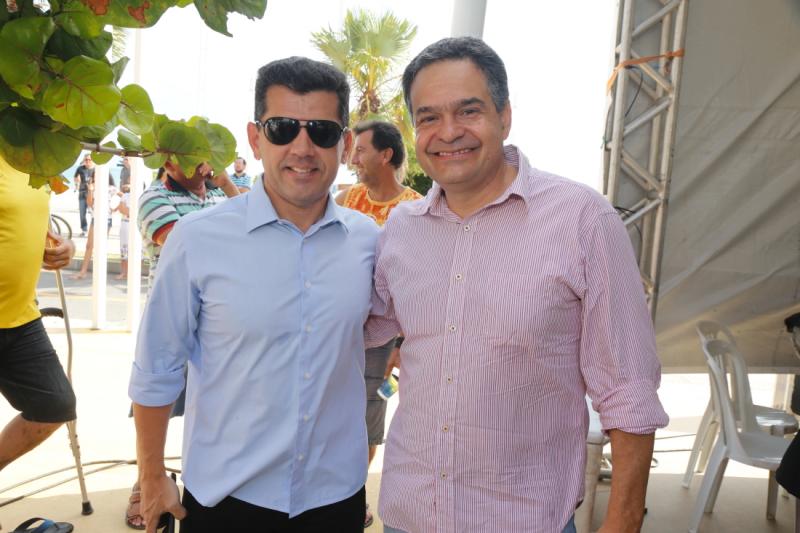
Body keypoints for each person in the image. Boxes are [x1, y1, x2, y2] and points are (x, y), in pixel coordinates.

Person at [366, 37, 669, 533]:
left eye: (469, 111)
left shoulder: (581, 219)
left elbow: (628, 386)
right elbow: (358, 329)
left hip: (525, 520)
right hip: (410, 516)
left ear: (504, 116)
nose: (449, 132)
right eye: (428, 117)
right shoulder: (401, 230)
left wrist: (624, 519)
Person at [129, 56, 378, 533]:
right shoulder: (197, 238)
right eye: (282, 129)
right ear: (256, 138)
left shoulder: (368, 241)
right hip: (226, 500)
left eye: (322, 131)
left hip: (335, 497)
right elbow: (157, 365)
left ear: (345, 144)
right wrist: (152, 474)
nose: (302, 148)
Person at [123, 160, 239, 529]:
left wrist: (228, 186)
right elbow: (187, 243)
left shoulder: (218, 194)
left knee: (213, 410)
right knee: (156, 408)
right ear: (169, 160)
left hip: (220, 327)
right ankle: (146, 484)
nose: (203, 166)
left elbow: (256, 231)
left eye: (206, 156)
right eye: (192, 158)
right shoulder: (154, 198)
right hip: (174, 323)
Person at [335, 119, 422, 528]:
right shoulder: (346, 198)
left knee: (367, 418)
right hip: (340, 330)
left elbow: (419, 284)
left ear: (386, 155)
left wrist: (401, 344)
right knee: (334, 412)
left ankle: (354, 495)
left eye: (361, 150)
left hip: (384, 338)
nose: (353, 158)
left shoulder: (415, 208)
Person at [0, 157, 77, 530]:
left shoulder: (32, 154)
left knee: (55, 405)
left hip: (20, 317)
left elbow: (28, 218)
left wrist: (61, 246)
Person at [71, 174, 117, 281]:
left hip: (106, 219)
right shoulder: (93, 188)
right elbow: (90, 203)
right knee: (89, 246)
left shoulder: (112, 188)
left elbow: (123, 196)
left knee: (101, 246)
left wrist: (115, 208)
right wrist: (91, 190)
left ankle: (99, 273)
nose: (95, 178)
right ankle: (83, 272)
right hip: (95, 218)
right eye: (94, 176)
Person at [74, 153, 95, 236]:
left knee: (94, 213)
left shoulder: (95, 169)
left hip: (92, 194)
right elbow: (75, 177)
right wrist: (77, 184)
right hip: (82, 193)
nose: (88, 161)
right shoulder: (80, 168)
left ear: (92, 160)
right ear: (84, 160)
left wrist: (93, 186)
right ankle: (84, 230)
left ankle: (94, 230)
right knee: (82, 214)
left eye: (89, 159)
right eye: (86, 159)